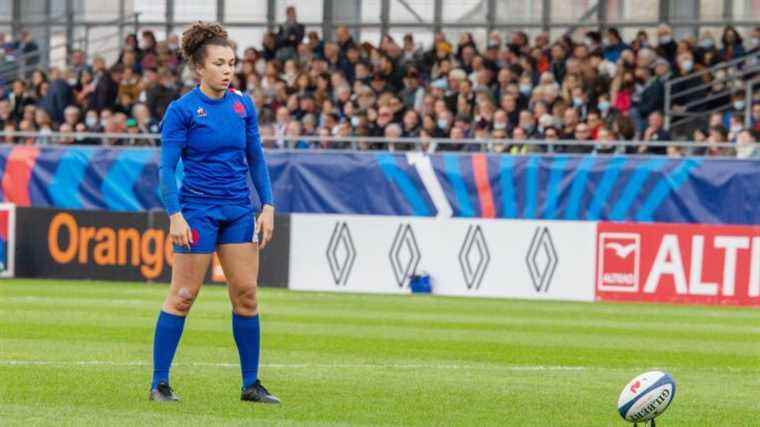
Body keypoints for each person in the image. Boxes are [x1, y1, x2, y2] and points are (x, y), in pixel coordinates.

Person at [152, 21, 279, 404]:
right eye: (220, 63)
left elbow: (256, 158)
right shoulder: (182, 110)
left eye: (232, 63)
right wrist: (175, 214)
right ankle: (159, 383)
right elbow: (165, 169)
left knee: (246, 295)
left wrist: (268, 206)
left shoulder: (243, 105)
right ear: (199, 69)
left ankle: (251, 384)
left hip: (239, 211)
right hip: (198, 212)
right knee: (184, 295)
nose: (228, 70)